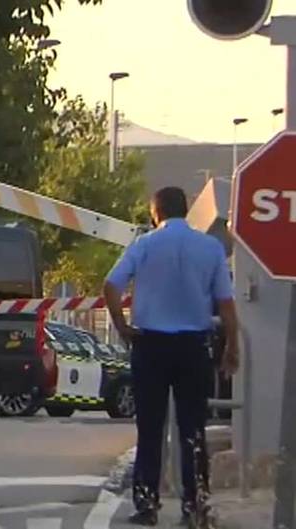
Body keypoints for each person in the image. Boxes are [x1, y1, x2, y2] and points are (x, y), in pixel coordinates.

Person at [103, 187, 239, 527]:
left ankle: (147, 504)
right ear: (185, 211)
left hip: (150, 346)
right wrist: (232, 345)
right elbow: (226, 302)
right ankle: (194, 503)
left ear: (155, 213)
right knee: (193, 428)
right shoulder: (210, 248)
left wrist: (122, 325)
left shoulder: (144, 245)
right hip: (193, 346)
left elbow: (111, 285)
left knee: (149, 428)